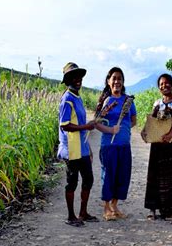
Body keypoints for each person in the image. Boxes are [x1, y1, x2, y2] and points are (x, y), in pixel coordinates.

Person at [57, 62, 99, 227]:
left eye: (79, 76)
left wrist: (88, 147)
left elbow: (80, 125)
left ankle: (83, 212)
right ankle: (70, 216)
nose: (78, 79)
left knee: (88, 179)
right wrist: (86, 126)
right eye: (74, 77)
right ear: (68, 80)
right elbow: (64, 125)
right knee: (72, 182)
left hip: (81, 147)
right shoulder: (67, 99)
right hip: (70, 149)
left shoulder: (77, 97)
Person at [142, 73, 172, 221]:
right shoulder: (157, 103)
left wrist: (171, 134)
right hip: (157, 141)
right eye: (161, 84)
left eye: (167, 83)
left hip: (171, 142)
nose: (164, 86)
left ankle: (168, 211)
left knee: (170, 174)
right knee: (154, 173)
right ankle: (153, 209)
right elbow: (152, 120)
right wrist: (145, 132)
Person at [95, 67, 137, 221]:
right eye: (114, 78)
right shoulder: (106, 101)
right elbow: (97, 124)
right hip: (109, 146)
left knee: (122, 176)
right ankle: (106, 207)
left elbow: (133, 120)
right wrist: (111, 130)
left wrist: (123, 130)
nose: (117, 81)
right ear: (108, 81)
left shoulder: (128, 101)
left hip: (124, 146)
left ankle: (114, 205)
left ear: (123, 81)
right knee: (109, 176)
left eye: (120, 78)